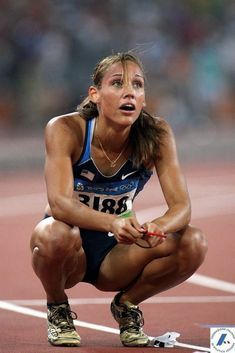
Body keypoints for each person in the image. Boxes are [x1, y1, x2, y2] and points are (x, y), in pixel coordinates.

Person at [30, 51, 207, 347]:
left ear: (144, 99)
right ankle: (58, 307)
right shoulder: (65, 129)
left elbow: (181, 208)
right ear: (95, 94)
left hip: (115, 253)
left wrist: (156, 228)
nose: (129, 91)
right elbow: (59, 204)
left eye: (137, 85)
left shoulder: (157, 134)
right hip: (67, 252)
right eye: (117, 83)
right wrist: (114, 220)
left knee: (193, 242)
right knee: (54, 233)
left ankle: (127, 305)